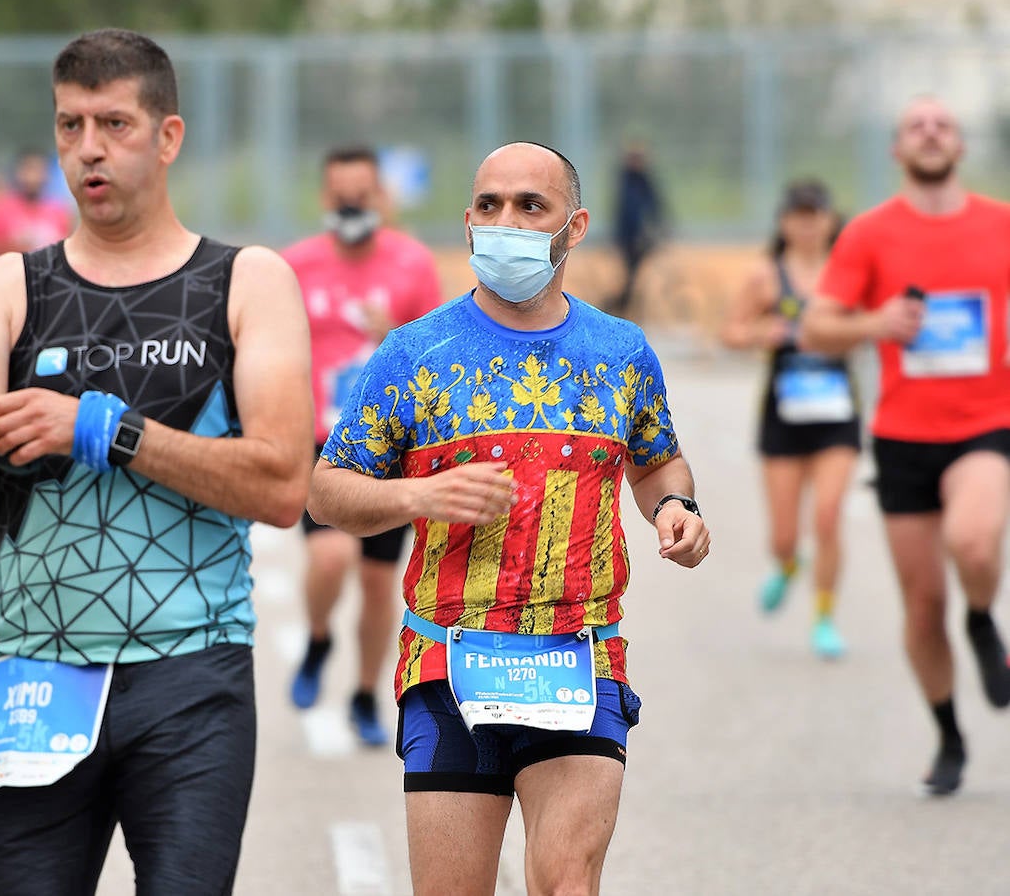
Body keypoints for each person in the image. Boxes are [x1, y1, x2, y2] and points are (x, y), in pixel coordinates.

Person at [0, 29, 313, 894]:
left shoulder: (246, 281)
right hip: (34, 667)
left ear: (167, 136)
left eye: (114, 123)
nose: (88, 148)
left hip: (191, 670)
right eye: (70, 124)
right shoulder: (9, 286)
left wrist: (107, 432)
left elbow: (280, 483)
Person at [308, 141, 709, 895]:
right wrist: (416, 496)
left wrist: (676, 508)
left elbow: (656, 461)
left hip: (577, 660)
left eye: (531, 206)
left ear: (576, 224)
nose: (507, 222)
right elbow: (327, 490)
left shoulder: (620, 352)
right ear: (466, 223)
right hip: (447, 663)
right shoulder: (415, 354)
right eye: (490, 206)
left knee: (567, 884)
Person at [802, 95, 1010, 796]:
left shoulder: (1001, 225)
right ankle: (949, 735)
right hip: (903, 435)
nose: (930, 133)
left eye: (942, 124)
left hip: (987, 422)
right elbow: (815, 331)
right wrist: (876, 322)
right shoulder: (867, 234)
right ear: (897, 149)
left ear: (960, 144)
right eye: (915, 125)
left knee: (976, 542)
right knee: (922, 605)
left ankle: (981, 616)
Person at [283, 144, 444, 746]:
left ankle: (364, 695)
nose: (353, 204)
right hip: (321, 445)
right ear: (326, 197)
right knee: (330, 557)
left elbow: (443, 353)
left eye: (364, 194)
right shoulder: (294, 266)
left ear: (381, 196)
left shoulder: (411, 264)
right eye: (342, 195)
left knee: (380, 583)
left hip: (391, 450)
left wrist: (394, 337)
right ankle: (319, 636)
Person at [722, 179, 857, 659]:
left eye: (814, 214)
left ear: (829, 220)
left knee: (827, 516)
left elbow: (871, 325)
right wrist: (766, 331)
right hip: (783, 416)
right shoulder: (765, 276)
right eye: (797, 215)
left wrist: (840, 333)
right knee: (783, 536)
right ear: (784, 222)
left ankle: (824, 617)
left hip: (837, 415)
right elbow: (730, 331)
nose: (806, 224)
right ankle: (786, 564)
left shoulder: (848, 272)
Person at [0, 148, 74, 261]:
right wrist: (8, 243)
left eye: (38, 170)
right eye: (28, 170)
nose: (33, 177)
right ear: (18, 172)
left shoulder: (58, 211)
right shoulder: (1, 208)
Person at [609, 141, 665, 317]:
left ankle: (624, 305)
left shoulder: (643, 181)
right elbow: (628, 213)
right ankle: (620, 305)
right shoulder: (627, 182)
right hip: (630, 238)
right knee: (631, 278)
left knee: (635, 277)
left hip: (641, 238)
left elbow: (655, 207)